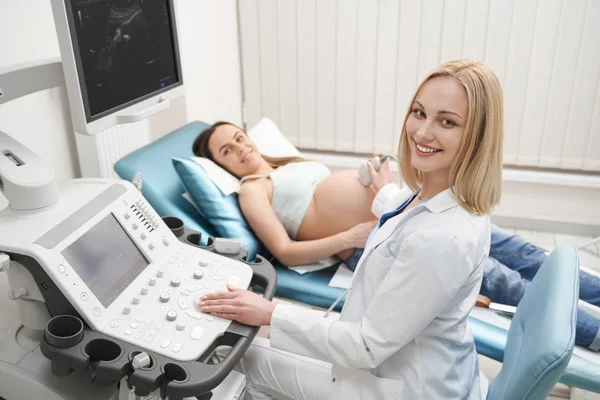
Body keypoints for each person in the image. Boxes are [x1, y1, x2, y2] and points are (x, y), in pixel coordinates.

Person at [196, 59, 502, 399]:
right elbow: (284, 248)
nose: (422, 132)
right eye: (418, 113)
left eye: (447, 121)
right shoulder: (428, 198)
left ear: (477, 135)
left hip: (406, 387)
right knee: (249, 352)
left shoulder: (442, 237)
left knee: (231, 357)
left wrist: (271, 314)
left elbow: (367, 346)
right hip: (412, 360)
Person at [191, 102, 600, 352]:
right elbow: (283, 250)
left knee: (524, 252)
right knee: (506, 281)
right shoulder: (253, 188)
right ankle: (594, 332)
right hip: (387, 236)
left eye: (240, 137)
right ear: (221, 165)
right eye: (228, 150)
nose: (242, 148)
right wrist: (351, 236)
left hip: (412, 205)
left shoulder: (286, 165)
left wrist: (373, 177)